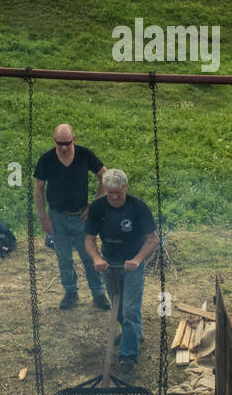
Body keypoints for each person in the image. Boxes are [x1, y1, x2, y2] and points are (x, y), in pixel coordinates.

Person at [84, 169, 158, 377]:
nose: (115, 197)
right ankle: (132, 334)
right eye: (110, 193)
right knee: (118, 310)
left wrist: (137, 259)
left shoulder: (138, 206)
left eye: (118, 193)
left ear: (126, 188)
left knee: (130, 308)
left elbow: (152, 238)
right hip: (109, 263)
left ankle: (128, 355)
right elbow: (89, 239)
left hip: (132, 262)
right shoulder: (98, 207)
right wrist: (97, 259)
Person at [34, 123, 109, 311]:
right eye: (60, 144)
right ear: (55, 141)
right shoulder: (47, 159)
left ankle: (98, 294)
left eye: (67, 143)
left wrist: (95, 203)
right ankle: (70, 292)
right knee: (64, 257)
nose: (64, 148)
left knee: (89, 257)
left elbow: (104, 175)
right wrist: (44, 217)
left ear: (74, 139)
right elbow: (38, 188)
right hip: (57, 216)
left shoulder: (85, 155)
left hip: (81, 218)